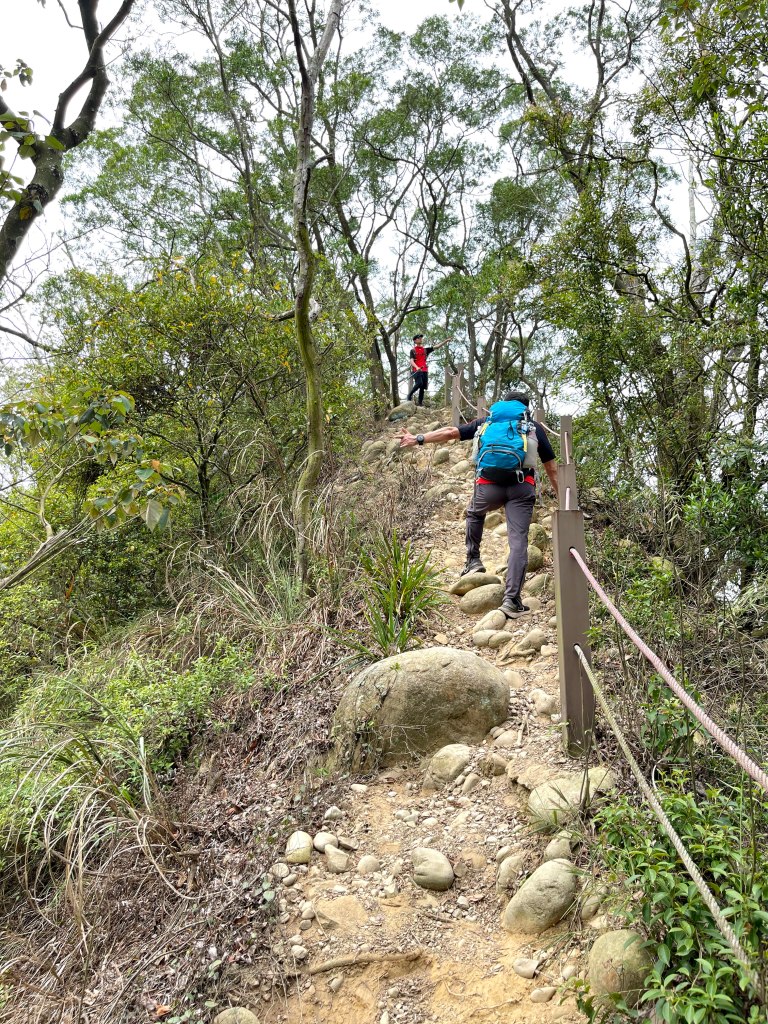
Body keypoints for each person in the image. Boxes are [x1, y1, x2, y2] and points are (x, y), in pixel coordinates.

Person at [399, 390, 559, 619]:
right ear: (526, 408)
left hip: (488, 488)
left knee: (474, 513)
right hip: (521, 488)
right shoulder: (533, 427)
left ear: (503, 404)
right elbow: (552, 469)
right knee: (518, 542)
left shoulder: (486, 422)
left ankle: (473, 560)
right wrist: (563, 501)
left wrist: (418, 438)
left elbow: (450, 432)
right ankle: (512, 600)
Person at [406, 334, 449, 406]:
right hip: (416, 370)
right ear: (415, 340)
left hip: (424, 370)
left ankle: (420, 403)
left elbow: (437, 347)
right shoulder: (413, 351)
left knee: (422, 387)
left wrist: (446, 341)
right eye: (419, 338)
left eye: (421, 338)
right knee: (419, 383)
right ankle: (409, 395)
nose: (421, 339)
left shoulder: (425, 350)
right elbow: (411, 361)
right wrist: (417, 367)